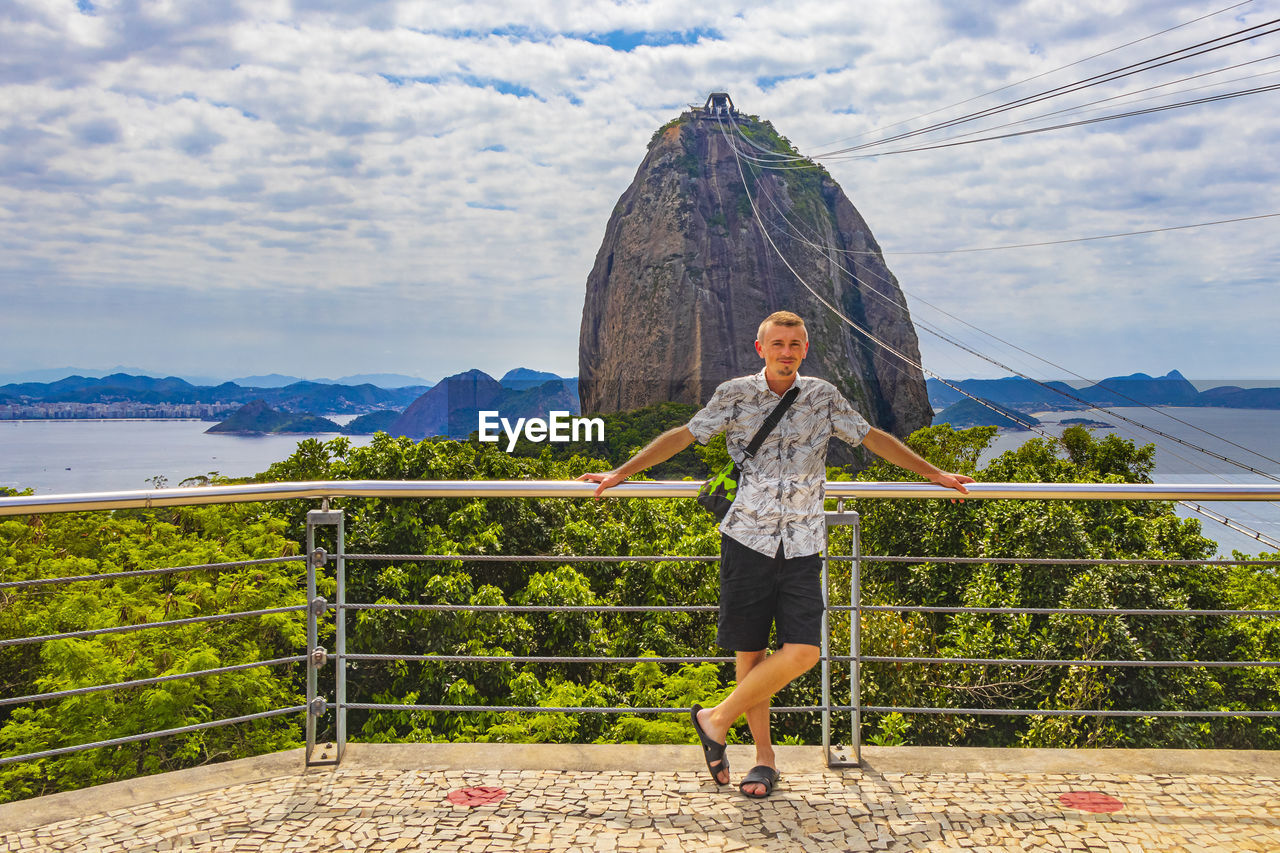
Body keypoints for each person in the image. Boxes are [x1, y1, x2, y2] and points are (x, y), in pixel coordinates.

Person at [577, 310, 974, 798]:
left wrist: (934, 473)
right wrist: (622, 471)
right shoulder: (735, 394)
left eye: (796, 344)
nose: (787, 351)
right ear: (760, 347)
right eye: (778, 343)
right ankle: (763, 761)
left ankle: (714, 719)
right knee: (752, 656)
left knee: (803, 652)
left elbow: (871, 437)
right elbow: (684, 434)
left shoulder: (823, 396)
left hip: (804, 542)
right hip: (747, 539)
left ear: (805, 349)